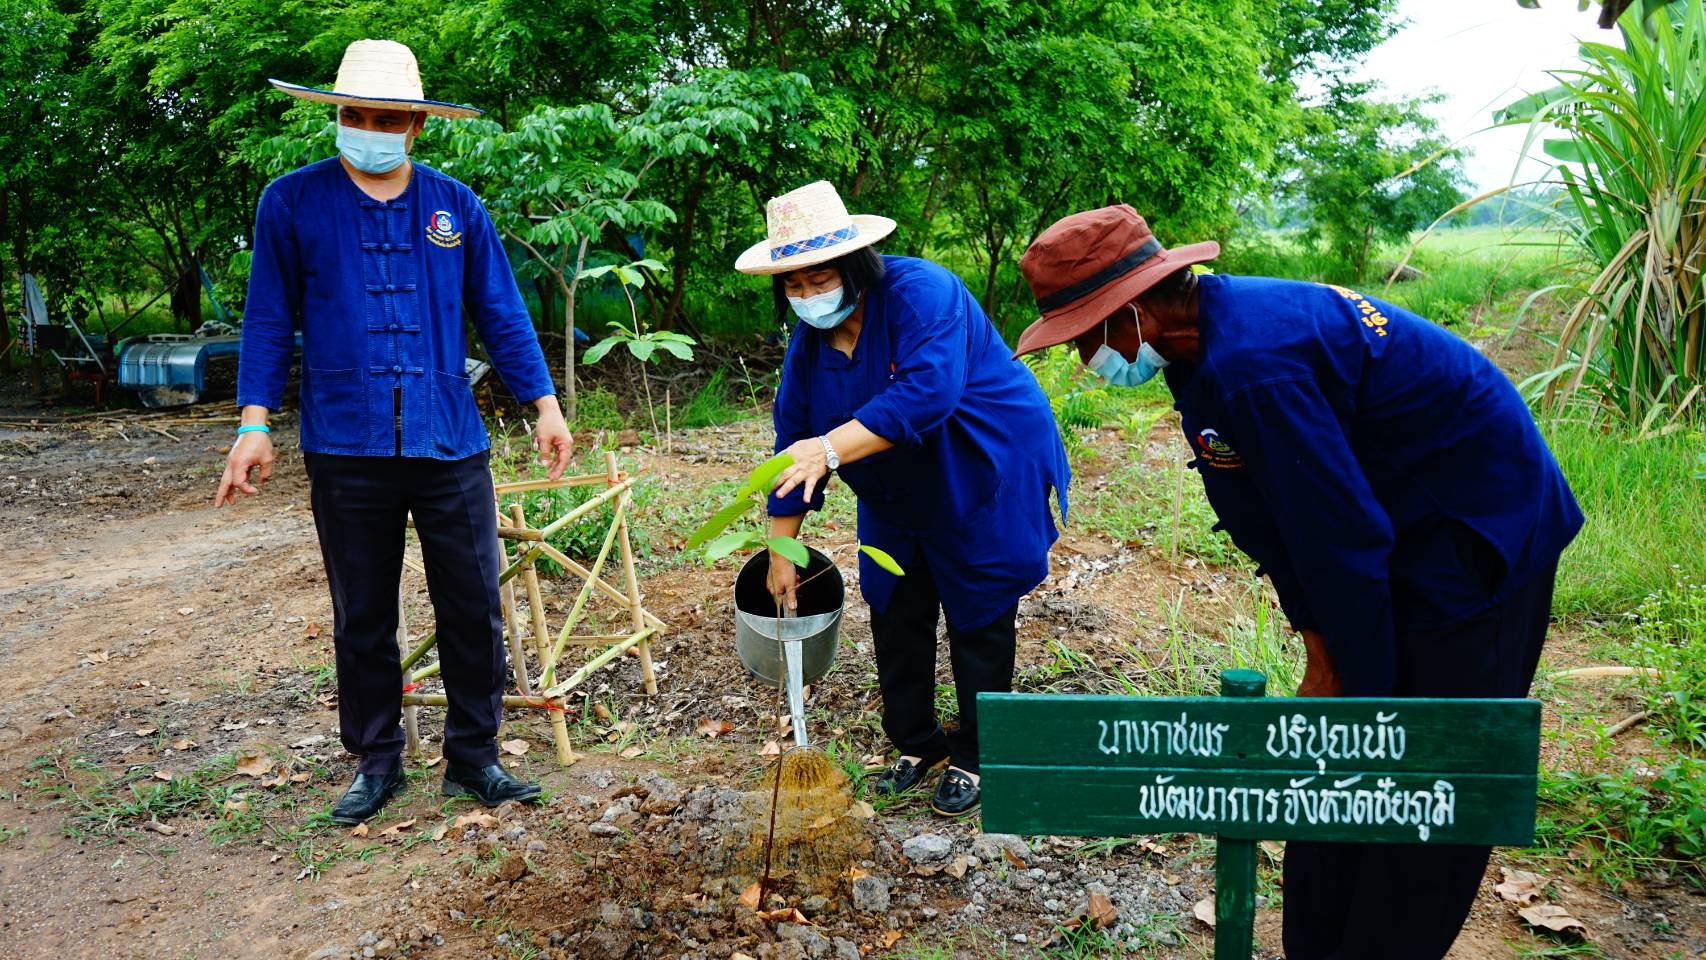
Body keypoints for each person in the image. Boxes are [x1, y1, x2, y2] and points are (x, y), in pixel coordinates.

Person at [1015, 205, 1583, 960]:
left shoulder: (1256, 364)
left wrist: (1360, 689)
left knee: (1429, 761)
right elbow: (1281, 521)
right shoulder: (1201, 350)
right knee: (1345, 748)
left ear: (1136, 311)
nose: (1086, 357)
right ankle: (1320, 938)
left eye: (1085, 336)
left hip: (1478, 528)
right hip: (1393, 519)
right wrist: (1326, 654)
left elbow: (1342, 540)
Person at [215, 40, 573, 825]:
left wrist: (543, 403)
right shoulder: (292, 202)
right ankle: (377, 760)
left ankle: (474, 756)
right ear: (338, 116)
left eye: (386, 118)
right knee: (364, 610)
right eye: (355, 115)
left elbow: (502, 313)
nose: (369, 128)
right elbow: (268, 319)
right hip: (346, 443)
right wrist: (254, 422)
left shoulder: (456, 206)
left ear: (415, 126)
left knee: (474, 602)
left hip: (451, 440)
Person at [737, 181, 1070, 817]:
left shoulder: (924, 293)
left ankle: (977, 752)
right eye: (794, 286)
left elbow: (927, 393)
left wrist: (829, 450)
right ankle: (917, 742)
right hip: (894, 490)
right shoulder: (807, 347)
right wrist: (782, 549)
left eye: (820, 279)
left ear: (856, 265)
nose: (809, 297)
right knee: (895, 606)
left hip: (979, 470)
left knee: (978, 611)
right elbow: (793, 443)